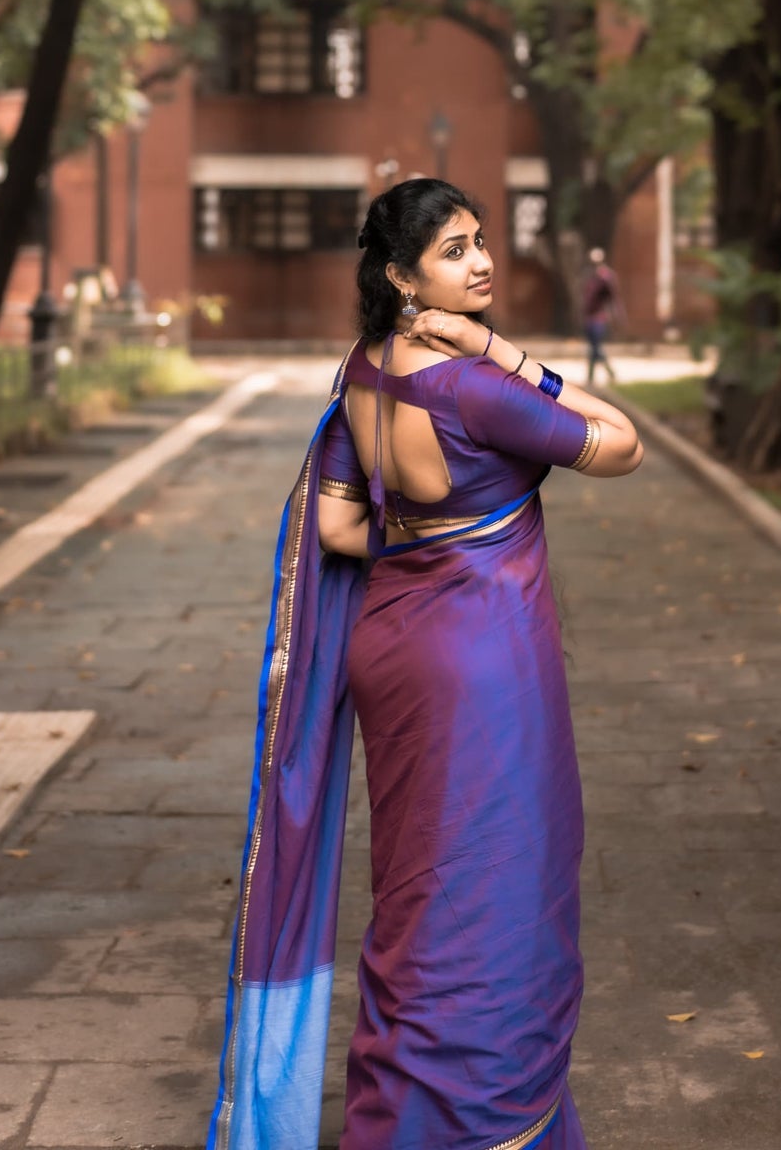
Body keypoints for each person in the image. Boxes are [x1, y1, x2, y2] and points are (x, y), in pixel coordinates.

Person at [208, 177, 641, 1150]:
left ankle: (398, 1103)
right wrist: (504, 353)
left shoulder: (360, 371)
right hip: (482, 658)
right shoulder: (473, 384)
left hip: (391, 644)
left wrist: (426, 542)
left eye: (479, 239)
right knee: (501, 879)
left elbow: (333, 521)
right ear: (402, 273)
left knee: (418, 882)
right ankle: (473, 1120)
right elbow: (621, 443)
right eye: (453, 248)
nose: (480, 259)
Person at [580, 247, 622, 385]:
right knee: (593, 347)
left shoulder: (606, 277)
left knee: (595, 347)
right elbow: (586, 298)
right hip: (589, 318)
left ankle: (596, 376)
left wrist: (617, 316)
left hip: (599, 318)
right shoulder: (589, 277)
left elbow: (613, 297)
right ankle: (600, 375)